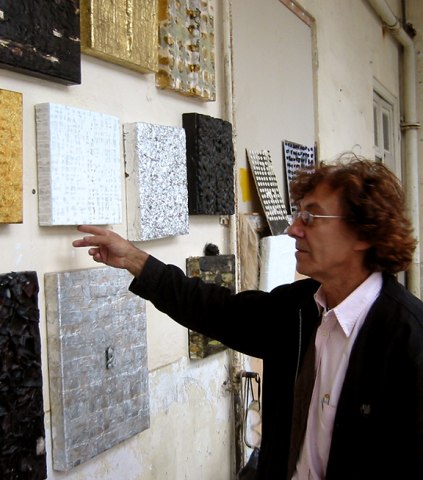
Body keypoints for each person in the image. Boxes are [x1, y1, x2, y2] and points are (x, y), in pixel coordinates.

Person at [73, 156, 423, 480]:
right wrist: (134, 259)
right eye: (297, 214)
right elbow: (215, 309)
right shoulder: (297, 309)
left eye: (311, 217)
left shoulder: (409, 339)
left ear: (363, 233)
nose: (293, 229)